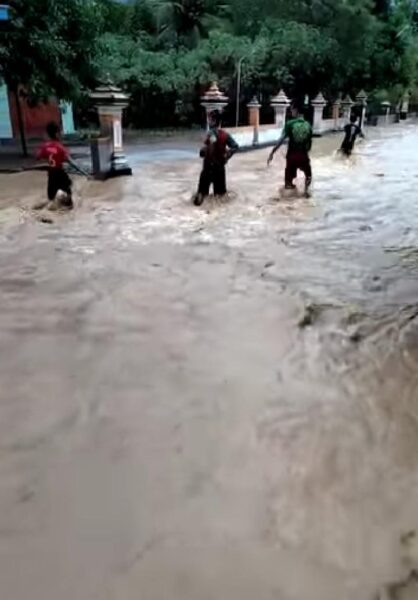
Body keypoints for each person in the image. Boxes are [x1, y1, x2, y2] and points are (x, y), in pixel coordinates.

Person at [35, 121, 88, 210]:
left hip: (51, 174)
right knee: (70, 191)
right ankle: (66, 211)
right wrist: (84, 172)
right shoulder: (60, 148)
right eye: (60, 132)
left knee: (51, 198)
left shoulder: (45, 146)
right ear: (56, 133)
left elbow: (38, 157)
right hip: (60, 174)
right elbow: (71, 162)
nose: (61, 134)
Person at [193, 110, 239, 206]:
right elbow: (235, 146)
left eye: (209, 119)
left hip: (208, 168)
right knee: (220, 197)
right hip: (220, 168)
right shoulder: (225, 134)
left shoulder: (210, 134)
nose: (208, 121)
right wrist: (227, 156)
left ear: (213, 121)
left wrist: (203, 151)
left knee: (200, 196)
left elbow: (211, 147)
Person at [267, 102, 313, 197]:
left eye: (292, 110)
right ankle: (306, 192)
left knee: (288, 184)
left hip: (291, 157)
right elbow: (309, 145)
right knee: (308, 176)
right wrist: (304, 154)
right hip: (303, 156)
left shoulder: (290, 124)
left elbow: (281, 140)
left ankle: (288, 203)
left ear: (296, 110)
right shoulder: (308, 125)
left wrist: (272, 152)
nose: (291, 112)